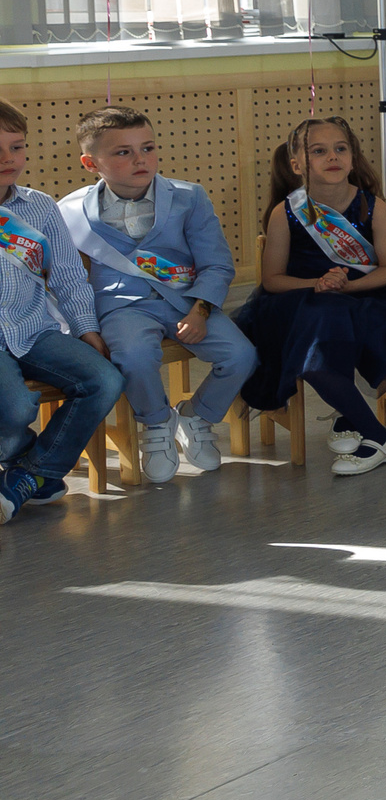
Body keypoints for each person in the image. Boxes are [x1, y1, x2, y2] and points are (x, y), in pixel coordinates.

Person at [59, 107, 258, 485]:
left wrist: (201, 311)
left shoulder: (188, 197)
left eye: (147, 148)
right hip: (121, 306)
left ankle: (197, 415)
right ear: (90, 163)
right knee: (134, 357)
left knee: (241, 354)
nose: (140, 159)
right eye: (123, 152)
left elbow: (216, 264)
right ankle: (156, 422)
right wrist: (83, 328)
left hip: (186, 301)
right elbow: (66, 278)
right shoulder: (69, 211)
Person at [237, 119, 386, 477]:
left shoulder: (372, 207)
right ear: (298, 164)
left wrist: (345, 286)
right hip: (303, 301)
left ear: (352, 156)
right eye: (319, 151)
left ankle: (349, 417)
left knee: (333, 320)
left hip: (363, 299)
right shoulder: (286, 212)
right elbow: (272, 279)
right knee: (320, 327)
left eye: (340, 148)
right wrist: (318, 283)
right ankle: (378, 436)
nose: (332, 156)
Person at [0, 100, 120, 523]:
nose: (7, 160)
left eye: (16, 148)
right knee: (14, 410)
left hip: (35, 329)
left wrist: (87, 329)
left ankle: (29, 475)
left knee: (104, 379)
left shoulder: (39, 207)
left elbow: (68, 276)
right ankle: (40, 473)